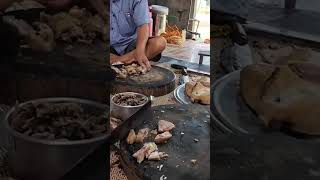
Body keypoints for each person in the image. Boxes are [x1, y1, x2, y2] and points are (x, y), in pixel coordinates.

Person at [110, 0, 167, 70]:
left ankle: (118, 61)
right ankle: (127, 61)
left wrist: (140, 51)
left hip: (130, 45)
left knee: (159, 43)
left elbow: (142, 26)